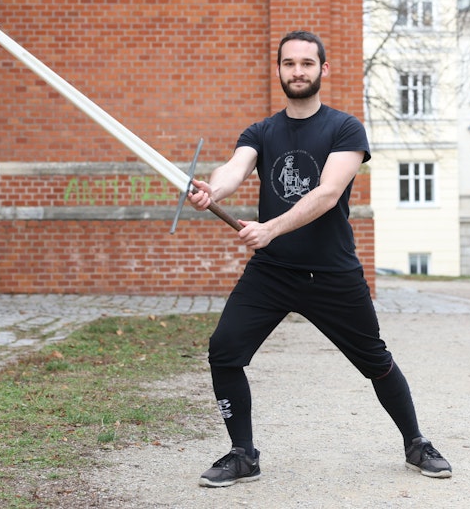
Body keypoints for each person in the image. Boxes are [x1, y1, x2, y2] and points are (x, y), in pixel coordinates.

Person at [187, 30, 451, 488]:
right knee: (224, 352)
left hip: (331, 270)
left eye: (307, 63)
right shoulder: (261, 131)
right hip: (272, 272)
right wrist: (214, 189)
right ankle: (242, 454)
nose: (297, 71)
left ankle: (416, 443)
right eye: (289, 64)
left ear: (323, 70)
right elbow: (234, 167)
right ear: (279, 71)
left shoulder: (345, 128)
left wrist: (270, 228)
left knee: (375, 360)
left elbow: (328, 193)